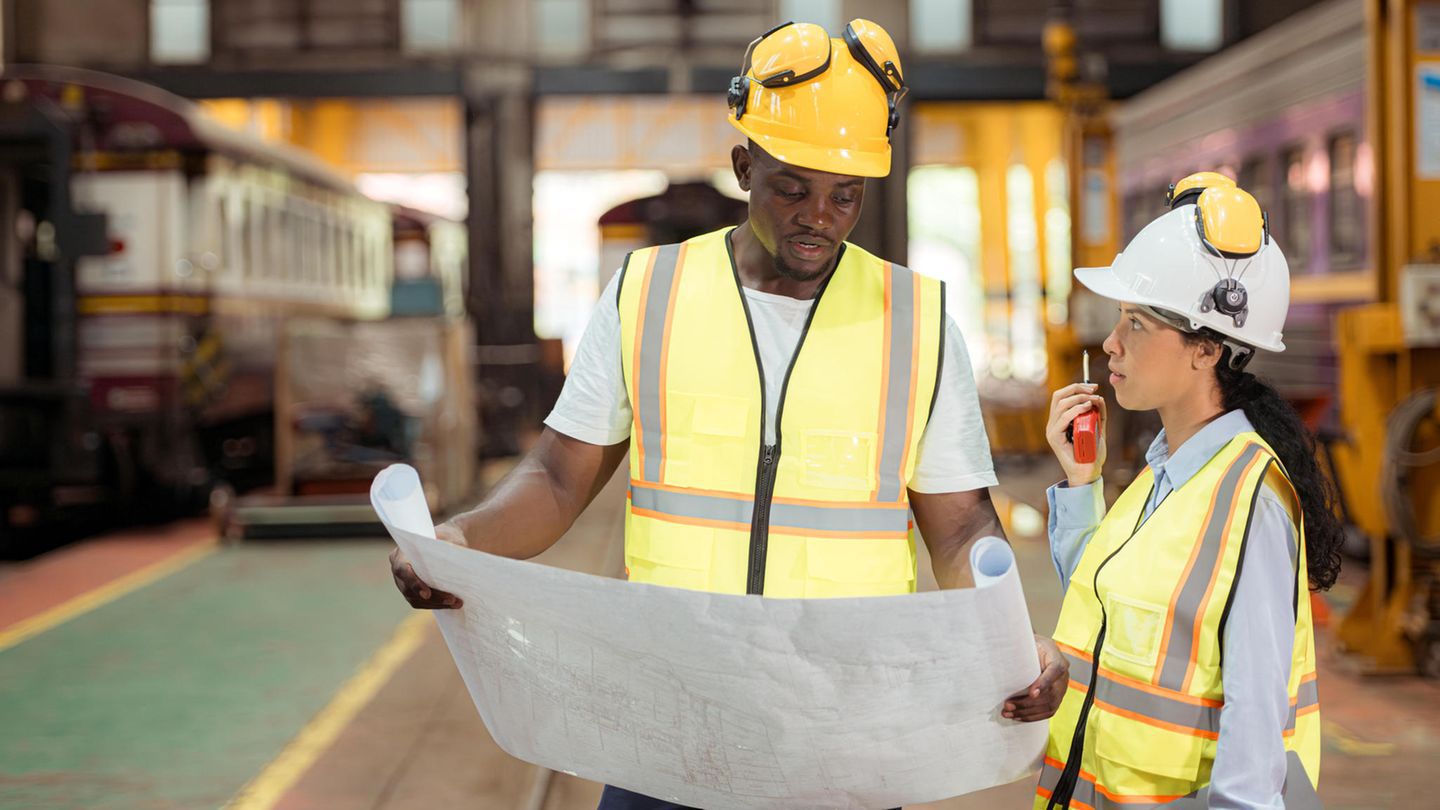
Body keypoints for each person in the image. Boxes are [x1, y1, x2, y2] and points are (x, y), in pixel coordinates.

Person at [390, 18, 1069, 809]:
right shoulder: (649, 293)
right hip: (671, 719)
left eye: (846, 195)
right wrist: (458, 540)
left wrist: (1006, 640)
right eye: (793, 188)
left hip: (842, 728)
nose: (821, 217)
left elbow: (960, 529)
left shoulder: (916, 319)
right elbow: (556, 478)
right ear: (744, 166)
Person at [1036, 174, 1342, 809]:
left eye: (1137, 324)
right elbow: (1109, 615)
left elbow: (1255, 736)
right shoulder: (1163, 469)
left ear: (1206, 349)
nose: (1110, 343)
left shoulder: (1249, 500)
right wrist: (1080, 483)